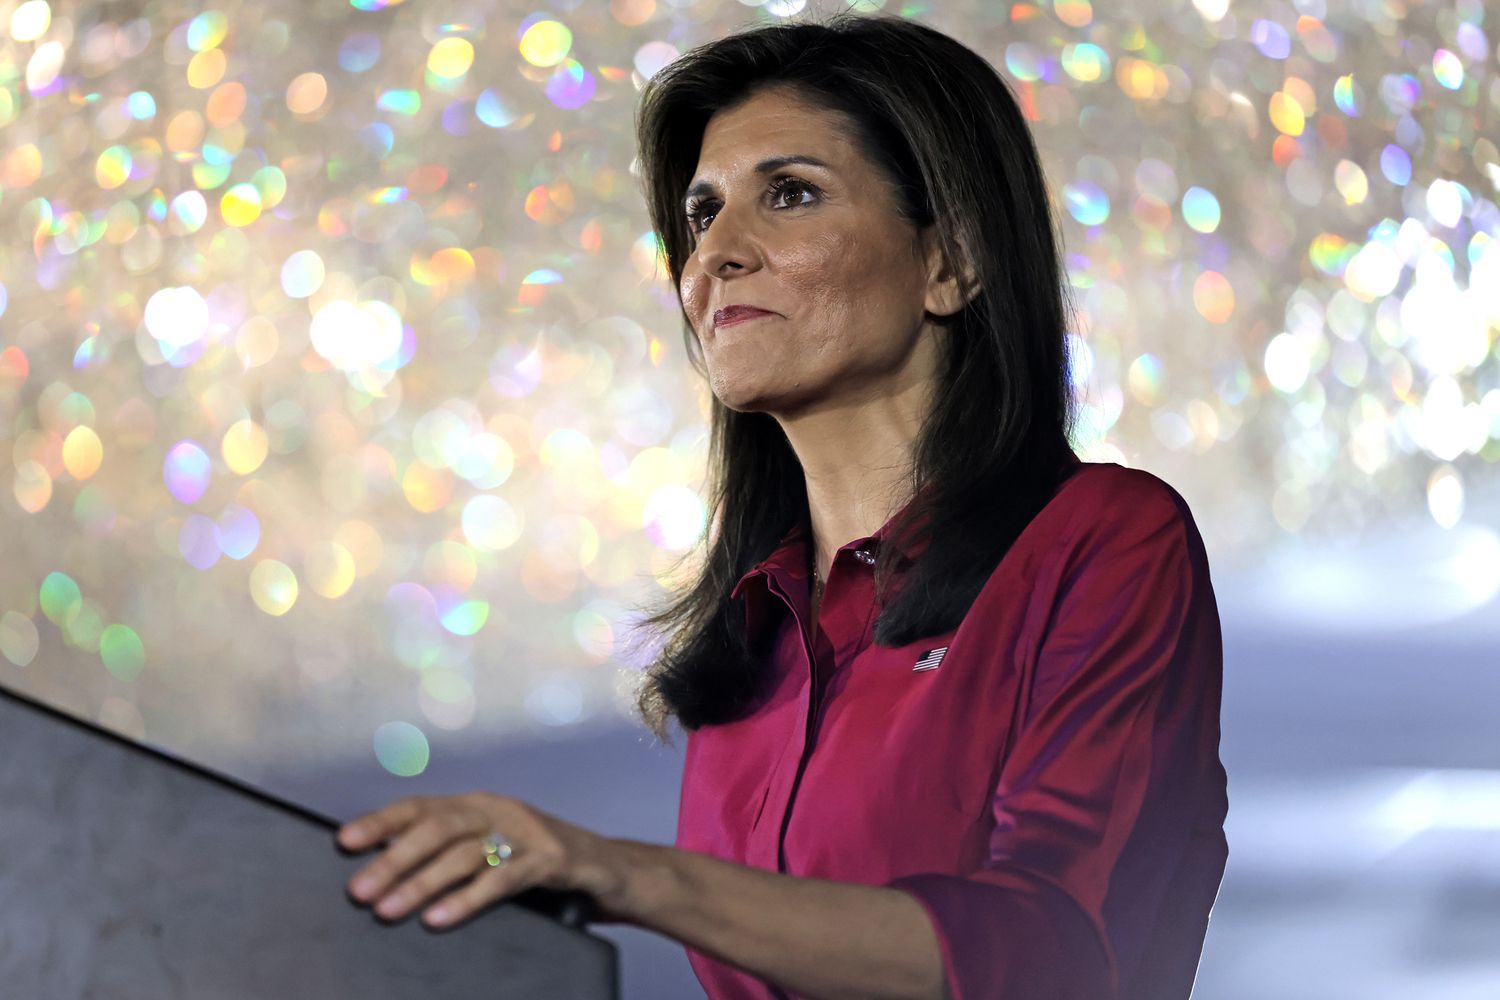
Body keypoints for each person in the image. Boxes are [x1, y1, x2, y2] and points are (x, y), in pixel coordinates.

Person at [334, 12, 1228, 1000]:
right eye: (702, 212)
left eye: (790, 194)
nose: (717, 251)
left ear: (952, 262)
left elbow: (1054, 954)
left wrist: (621, 870)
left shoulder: (1105, 540)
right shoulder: (751, 635)